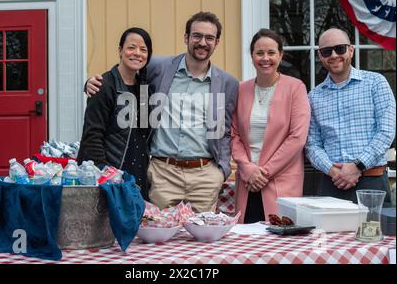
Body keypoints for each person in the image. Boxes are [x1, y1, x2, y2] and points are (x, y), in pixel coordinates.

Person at [86, 12, 239, 213]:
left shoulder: (227, 83)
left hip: (205, 176)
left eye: (209, 38)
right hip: (163, 174)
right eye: (197, 36)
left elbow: (225, 129)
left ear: (217, 42)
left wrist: (221, 170)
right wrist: (93, 84)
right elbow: (127, 70)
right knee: (160, 238)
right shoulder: (159, 67)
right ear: (186, 38)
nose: (202, 42)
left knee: (203, 240)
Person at [306, 28, 396, 203]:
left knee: (372, 231)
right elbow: (312, 144)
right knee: (327, 232)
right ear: (320, 55)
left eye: (340, 48)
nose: (333, 55)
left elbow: (386, 131)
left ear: (351, 50)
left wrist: (357, 166)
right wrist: (334, 172)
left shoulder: (376, 83)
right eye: (326, 51)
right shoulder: (313, 97)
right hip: (330, 183)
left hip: (372, 181)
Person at [231, 29, 311, 223]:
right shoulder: (241, 89)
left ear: (280, 55)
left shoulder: (295, 87)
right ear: (251, 56)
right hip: (248, 182)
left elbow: (297, 137)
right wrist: (248, 169)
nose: (265, 58)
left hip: (281, 182)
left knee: (280, 242)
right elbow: (233, 134)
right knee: (247, 241)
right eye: (259, 53)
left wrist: (263, 173)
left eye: (271, 52)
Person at [76, 27, 152, 200]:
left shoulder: (145, 88)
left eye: (143, 50)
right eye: (131, 47)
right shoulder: (103, 86)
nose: (137, 54)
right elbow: (92, 135)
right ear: (120, 51)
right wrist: (104, 175)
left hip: (138, 171)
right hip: (111, 173)